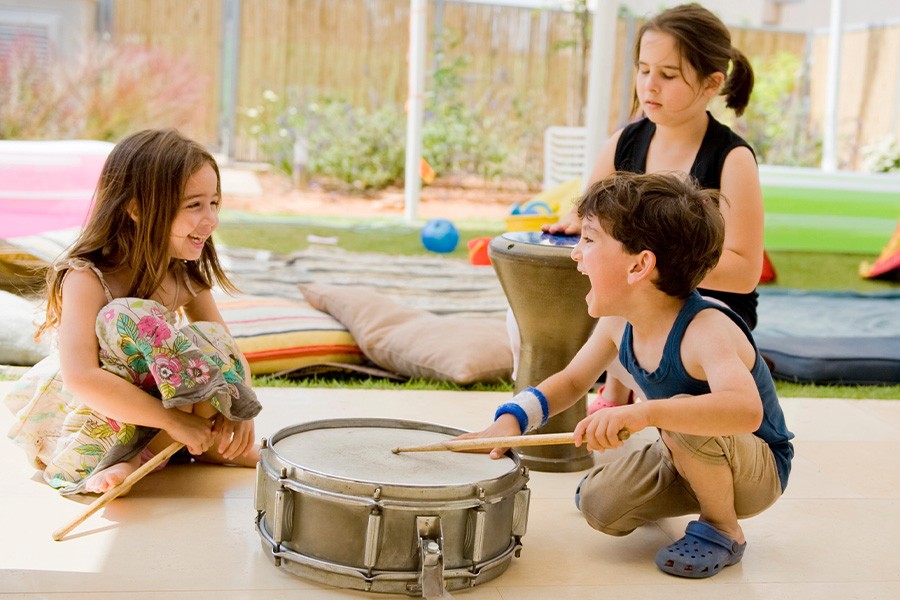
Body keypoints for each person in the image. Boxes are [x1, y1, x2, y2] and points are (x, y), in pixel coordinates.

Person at [467, 172, 793, 579]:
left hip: (757, 468)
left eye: (588, 239)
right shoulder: (619, 323)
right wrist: (509, 422)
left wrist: (643, 414)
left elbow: (746, 411)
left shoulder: (705, 329)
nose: (575, 254)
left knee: (679, 412)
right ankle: (692, 485)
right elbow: (570, 382)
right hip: (683, 449)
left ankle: (722, 528)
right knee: (599, 506)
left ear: (640, 265)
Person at [5, 128, 262, 495]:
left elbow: (225, 349)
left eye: (214, 203)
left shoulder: (184, 273)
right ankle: (133, 458)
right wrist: (169, 419)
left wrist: (241, 403)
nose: (211, 220)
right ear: (138, 209)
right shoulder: (87, 278)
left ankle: (188, 446)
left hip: (160, 413)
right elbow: (82, 379)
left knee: (209, 341)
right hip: (98, 410)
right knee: (126, 315)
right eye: (194, 205)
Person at [537, 2, 764, 413]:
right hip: (640, 290)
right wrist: (577, 227)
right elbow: (584, 215)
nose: (649, 85)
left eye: (668, 75)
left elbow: (746, 273)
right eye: (643, 69)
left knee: (635, 293)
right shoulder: (624, 141)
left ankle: (618, 393)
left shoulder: (732, 158)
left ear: (712, 84)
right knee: (608, 288)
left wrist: (661, 260)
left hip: (708, 307)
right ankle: (610, 389)